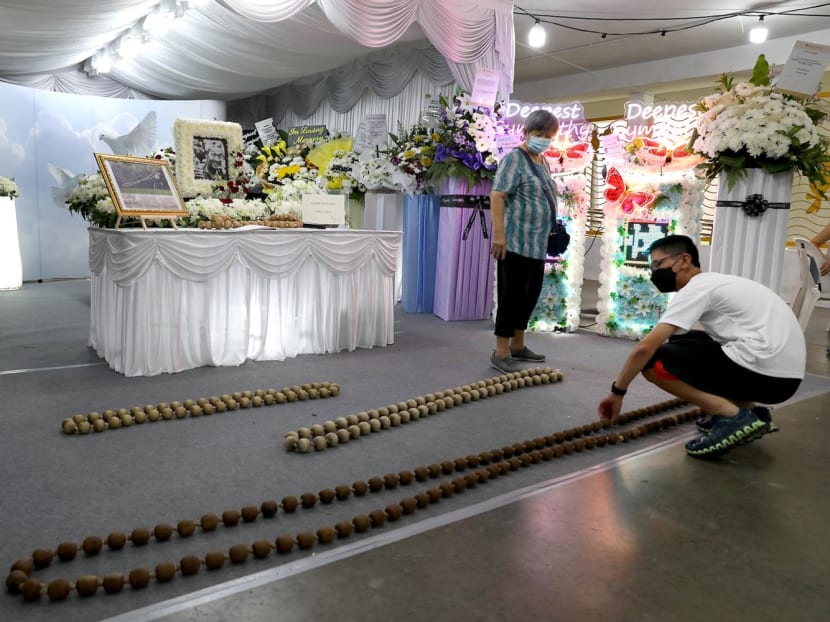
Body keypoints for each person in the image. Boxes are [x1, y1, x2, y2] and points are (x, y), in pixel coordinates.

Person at [597, 234, 806, 459]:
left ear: (684, 260)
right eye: (652, 267)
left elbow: (644, 348)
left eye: (659, 264)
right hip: (784, 376)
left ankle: (730, 416)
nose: (655, 272)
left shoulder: (697, 288)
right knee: (685, 341)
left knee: (653, 359)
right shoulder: (718, 282)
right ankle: (751, 412)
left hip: (767, 374)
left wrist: (617, 392)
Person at [489, 109, 560, 374]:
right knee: (511, 296)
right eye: (539, 134)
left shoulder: (543, 161)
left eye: (548, 136)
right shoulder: (513, 160)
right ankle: (501, 350)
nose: (543, 139)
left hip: (537, 243)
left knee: (529, 296)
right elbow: (497, 197)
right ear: (526, 133)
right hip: (515, 241)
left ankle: (519, 345)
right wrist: (499, 236)